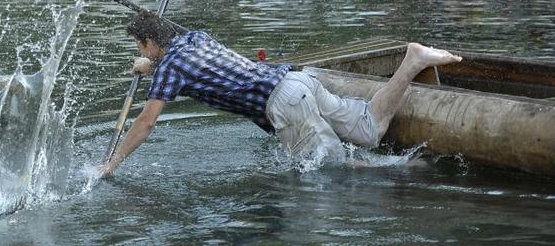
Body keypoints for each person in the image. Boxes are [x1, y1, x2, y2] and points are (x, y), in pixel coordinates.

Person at [99, 12, 461, 177]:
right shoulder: (195, 38)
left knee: (333, 171)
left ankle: (413, 172)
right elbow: (187, 61)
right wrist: (151, 65)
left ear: (149, 42)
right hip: (298, 83)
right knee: (370, 128)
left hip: (284, 104)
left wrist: (112, 163)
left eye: (140, 46)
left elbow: (146, 123)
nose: (141, 52)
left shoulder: (171, 68)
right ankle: (413, 60)